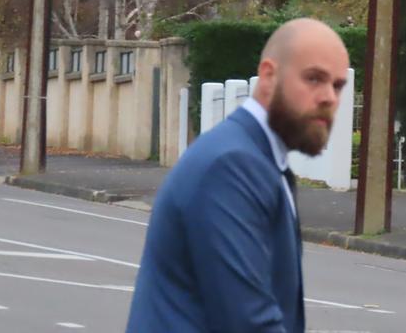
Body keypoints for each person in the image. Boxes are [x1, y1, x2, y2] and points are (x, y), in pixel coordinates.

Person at [126, 18, 350, 332]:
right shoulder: (231, 166)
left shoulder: (259, 159)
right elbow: (247, 320)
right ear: (269, 76)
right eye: (314, 78)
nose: (329, 97)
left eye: (338, 85)